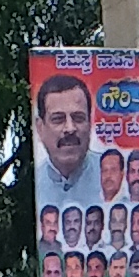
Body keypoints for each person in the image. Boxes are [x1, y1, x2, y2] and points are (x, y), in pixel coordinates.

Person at [35, 68, 95, 197]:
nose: (70, 128)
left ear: (90, 123)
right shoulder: (33, 184)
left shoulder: (115, 179)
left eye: (78, 118)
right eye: (58, 119)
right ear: (40, 128)